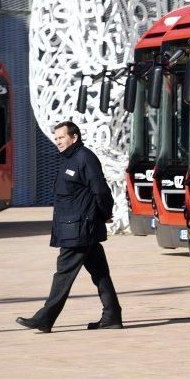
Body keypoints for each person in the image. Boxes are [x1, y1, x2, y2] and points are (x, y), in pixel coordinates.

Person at [16, 121, 122, 333]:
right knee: (100, 273)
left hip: (81, 229)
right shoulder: (68, 159)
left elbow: (100, 190)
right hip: (75, 227)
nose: (58, 142)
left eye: (61, 137)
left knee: (63, 274)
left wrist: (105, 213)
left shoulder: (84, 158)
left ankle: (45, 318)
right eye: (56, 138)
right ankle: (112, 315)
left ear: (74, 137)